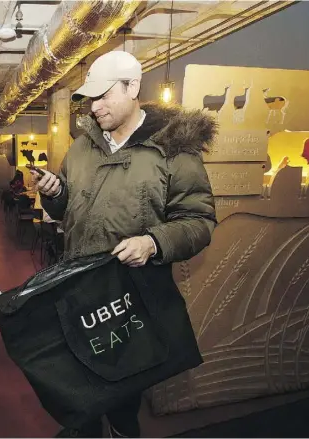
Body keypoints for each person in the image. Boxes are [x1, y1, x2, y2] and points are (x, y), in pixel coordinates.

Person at [32, 50, 217, 438]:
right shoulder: (82, 146)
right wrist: (55, 192)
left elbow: (199, 222)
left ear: (133, 87)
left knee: (121, 396)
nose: (94, 107)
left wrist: (153, 242)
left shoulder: (174, 150)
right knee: (80, 386)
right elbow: (68, 207)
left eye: (103, 96)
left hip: (131, 296)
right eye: (90, 98)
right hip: (80, 288)